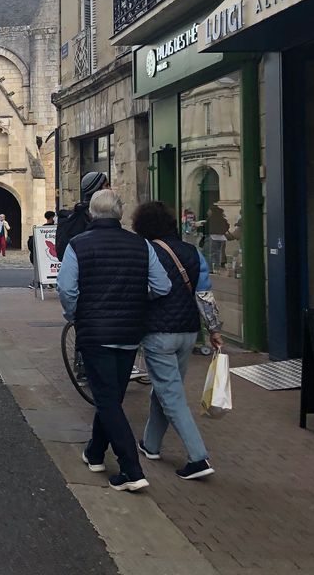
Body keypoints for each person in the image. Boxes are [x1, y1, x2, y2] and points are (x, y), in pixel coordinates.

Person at [56, 190, 171, 492]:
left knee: (107, 399)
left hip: (95, 331)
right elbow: (162, 286)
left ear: (92, 214)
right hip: (129, 332)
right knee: (112, 398)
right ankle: (95, 452)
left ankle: (131, 470)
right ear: (119, 214)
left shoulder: (78, 245)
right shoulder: (141, 245)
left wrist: (75, 314)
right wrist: (135, 299)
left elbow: (66, 290)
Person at [131, 202, 222, 481]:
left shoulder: (146, 252)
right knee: (166, 388)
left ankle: (198, 456)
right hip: (188, 332)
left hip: (158, 331)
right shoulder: (192, 252)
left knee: (171, 394)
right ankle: (151, 443)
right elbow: (204, 294)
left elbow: (141, 291)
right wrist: (214, 328)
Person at [56, 171, 109, 255]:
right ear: (97, 189)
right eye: (106, 185)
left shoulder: (80, 211)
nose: (110, 189)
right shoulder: (90, 215)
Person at [28, 211, 57, 288]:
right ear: (52, 217)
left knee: (43, 269)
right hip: (49, 253)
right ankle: (36, 283)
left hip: (45, 254)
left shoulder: (41, 229)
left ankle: (49, 283)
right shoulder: (53, 229)